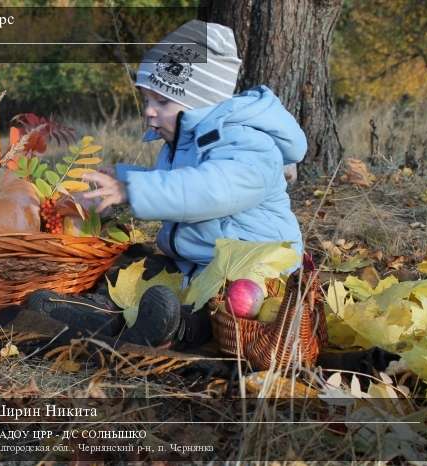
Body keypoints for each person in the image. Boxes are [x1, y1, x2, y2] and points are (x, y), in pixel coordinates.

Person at [24, 20, 307, 350]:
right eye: (147, 100)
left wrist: (134, 190)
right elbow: (175, 183)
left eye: (162, 102)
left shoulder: (248, 144)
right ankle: (99, 311)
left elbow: (210, 190)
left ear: (201, 102)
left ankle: (173, 329)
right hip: (195, 265)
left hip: (254, 274)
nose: (149, 112)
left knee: (212, 309)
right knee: (136, 266)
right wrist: (121, 178)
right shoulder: (183, 141)